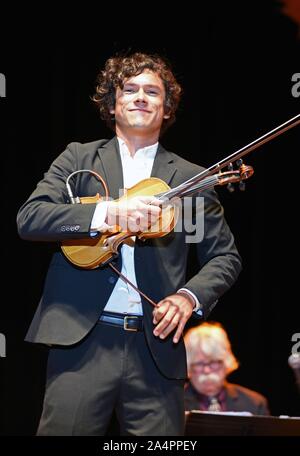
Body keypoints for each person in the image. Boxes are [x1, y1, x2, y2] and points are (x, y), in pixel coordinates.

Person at [16, 52, 242, 436]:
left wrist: (189, 296)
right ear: (113, 102)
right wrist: (109, 212)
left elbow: (225, 257)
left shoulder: (191, 179)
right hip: (81, 341)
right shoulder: (78, 157)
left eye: (152, 92)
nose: (141, 97)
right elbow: (31, 217)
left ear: (166, 107)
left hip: (156, 348)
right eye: (130, 89)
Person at [184, 322, 270, 415]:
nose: (207, 370)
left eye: (214, 362)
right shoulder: (173, 403)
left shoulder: (254, 403)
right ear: (188, 365)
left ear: (226, 362)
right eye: (199, 363)